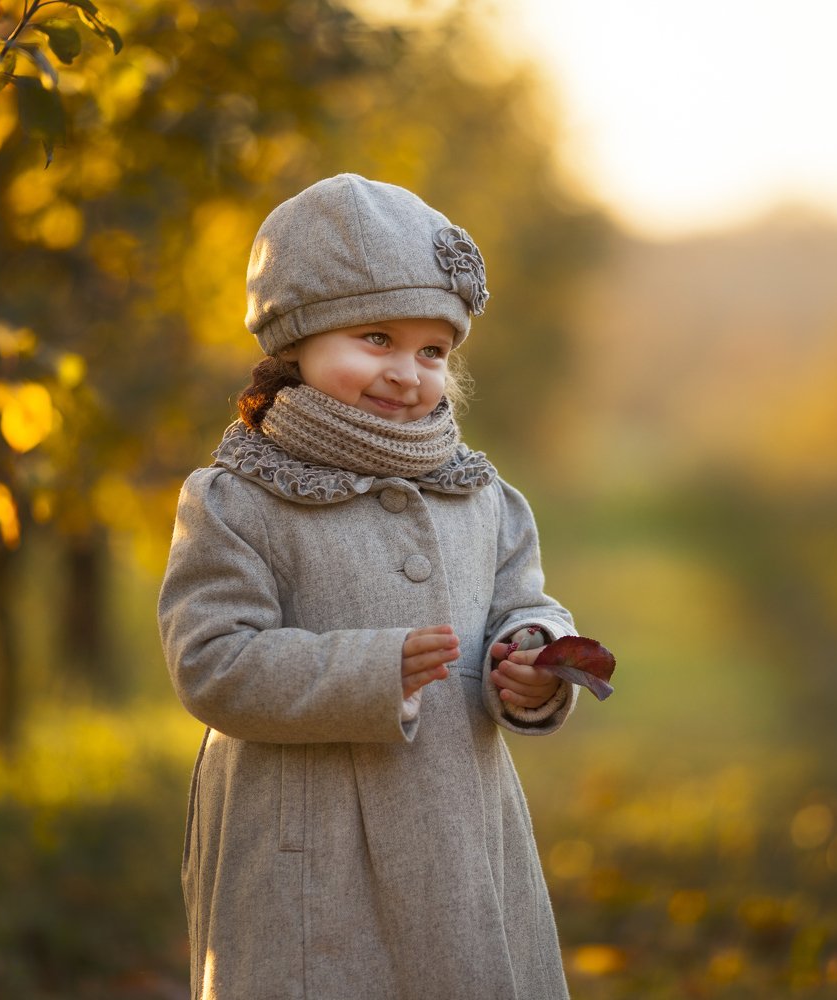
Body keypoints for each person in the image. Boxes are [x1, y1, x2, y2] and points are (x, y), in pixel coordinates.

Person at [158, 174, 579, 1000]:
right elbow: (210, 662)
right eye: (376, 338)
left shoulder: (480, 496)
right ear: (296, 344)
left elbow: (523, 604)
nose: (405, 372)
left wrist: (531, 657)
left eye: (432, 351)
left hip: (460, 841)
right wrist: (368, 671)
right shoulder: (240, 499)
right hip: (304, 853)